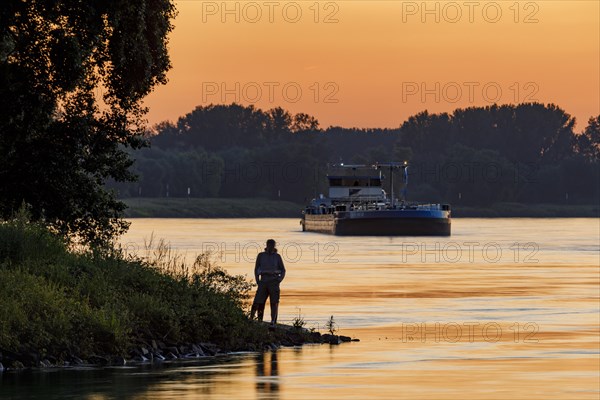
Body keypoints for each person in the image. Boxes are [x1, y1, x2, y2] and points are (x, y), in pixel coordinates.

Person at [250, 239, 286, 327]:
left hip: (274, 282)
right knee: (258, 301)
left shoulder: (277, 257)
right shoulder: (261, 256)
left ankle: (273, 322)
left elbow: (283, 269)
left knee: (274, 302)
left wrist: (280, 279)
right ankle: (257, 320)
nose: (270, 247)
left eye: (272, 245)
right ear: (266, 245)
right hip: (263, 281)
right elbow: (256, 268)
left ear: (274, 246)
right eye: (269, 245)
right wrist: (257, 280)